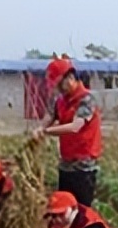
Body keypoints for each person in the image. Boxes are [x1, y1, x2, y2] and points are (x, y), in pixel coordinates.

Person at [32, 57, 103, 207]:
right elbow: (50, 115)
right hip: (66, 164)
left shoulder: (87, 100)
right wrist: (40, 128)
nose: (59, 89)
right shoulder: (60, 100)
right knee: (63, 206)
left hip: (84, 166)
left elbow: (75, 127)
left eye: (60, 85)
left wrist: (46, 131)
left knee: (82, 209)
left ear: (70, 78)